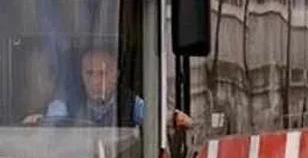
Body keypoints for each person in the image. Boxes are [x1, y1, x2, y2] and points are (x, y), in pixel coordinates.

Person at [24, 44, 190, 128]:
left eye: (103, 73)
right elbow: (50, 122)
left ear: (116, 75)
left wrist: (175, 118)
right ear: (81, 75)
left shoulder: (131, 103)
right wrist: (39, 122)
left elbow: (155, 118)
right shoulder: (66, 103)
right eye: (89, 73)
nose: (96, 81)